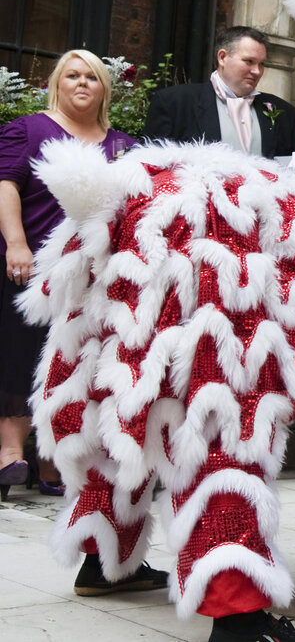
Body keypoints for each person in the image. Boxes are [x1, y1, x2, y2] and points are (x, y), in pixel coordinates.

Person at [0, 50, 167, 595]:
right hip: (38, 272)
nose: (81, 82)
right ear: (56, 84)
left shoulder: (124, 146)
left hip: (102, 287)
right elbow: (6, 187)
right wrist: (17, 243)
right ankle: (20, 454)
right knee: (26, 362)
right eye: (72, 74)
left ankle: (65, 478)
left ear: (104, 88)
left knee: (92, 386)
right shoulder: (29, 130)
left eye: (91, 75)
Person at [143, 26, 295, 158]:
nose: (257, 71)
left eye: (261, 64)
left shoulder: (285, 113)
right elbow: (151, 167)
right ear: (222, 57)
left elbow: (294, 177)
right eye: (249, 61)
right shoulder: (174, 103)